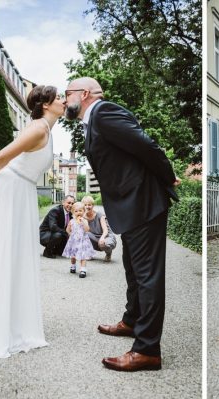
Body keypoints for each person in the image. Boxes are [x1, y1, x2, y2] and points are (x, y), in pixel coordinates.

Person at [64, 77, 180, 372]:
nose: (65, 100)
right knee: (133, 267)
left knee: (147, 275)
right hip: (130, 205)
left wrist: (167, 177)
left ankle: (147, 350)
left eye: (68, 94)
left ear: (85, 93)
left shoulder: (104, 112)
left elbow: (145, 144)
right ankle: (132, 321)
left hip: (143, 201)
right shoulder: (93, 121)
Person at [0, 85, 65, 360]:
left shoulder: (46, 130)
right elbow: (1, 156)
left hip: (20, 191)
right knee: (3, 254)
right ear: (46, 104)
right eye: (59, 98)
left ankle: (8, 323)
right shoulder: (39, 128)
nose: (63, 101)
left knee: (14, 256)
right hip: (8, 190)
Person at [62, 202, 96, 278]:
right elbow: (67, 230)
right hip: (74, 241)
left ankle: (83, 269)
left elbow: (87, 230)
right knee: (73, 255)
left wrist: (84, 223)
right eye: (76, 211)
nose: (78, 213)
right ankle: (73, 266)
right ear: (73, 212)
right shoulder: (71, 221)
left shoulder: (85, 221)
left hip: (83, 241)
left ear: (84, 212)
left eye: (80, 211)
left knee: (83, 255)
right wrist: (71, 235)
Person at [81, 195, 117, 262]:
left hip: (106, 236)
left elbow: (105, 230)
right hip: (94, 237)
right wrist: (83, 217)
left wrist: (102, 238)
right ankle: (89, 253)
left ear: (93, 205)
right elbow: (86, 231)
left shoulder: (99, 215)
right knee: (84, 234)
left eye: (89, 205)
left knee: (103, 244)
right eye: (85, 205)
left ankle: (108, 253)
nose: (87, 207)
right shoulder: (82, 217)